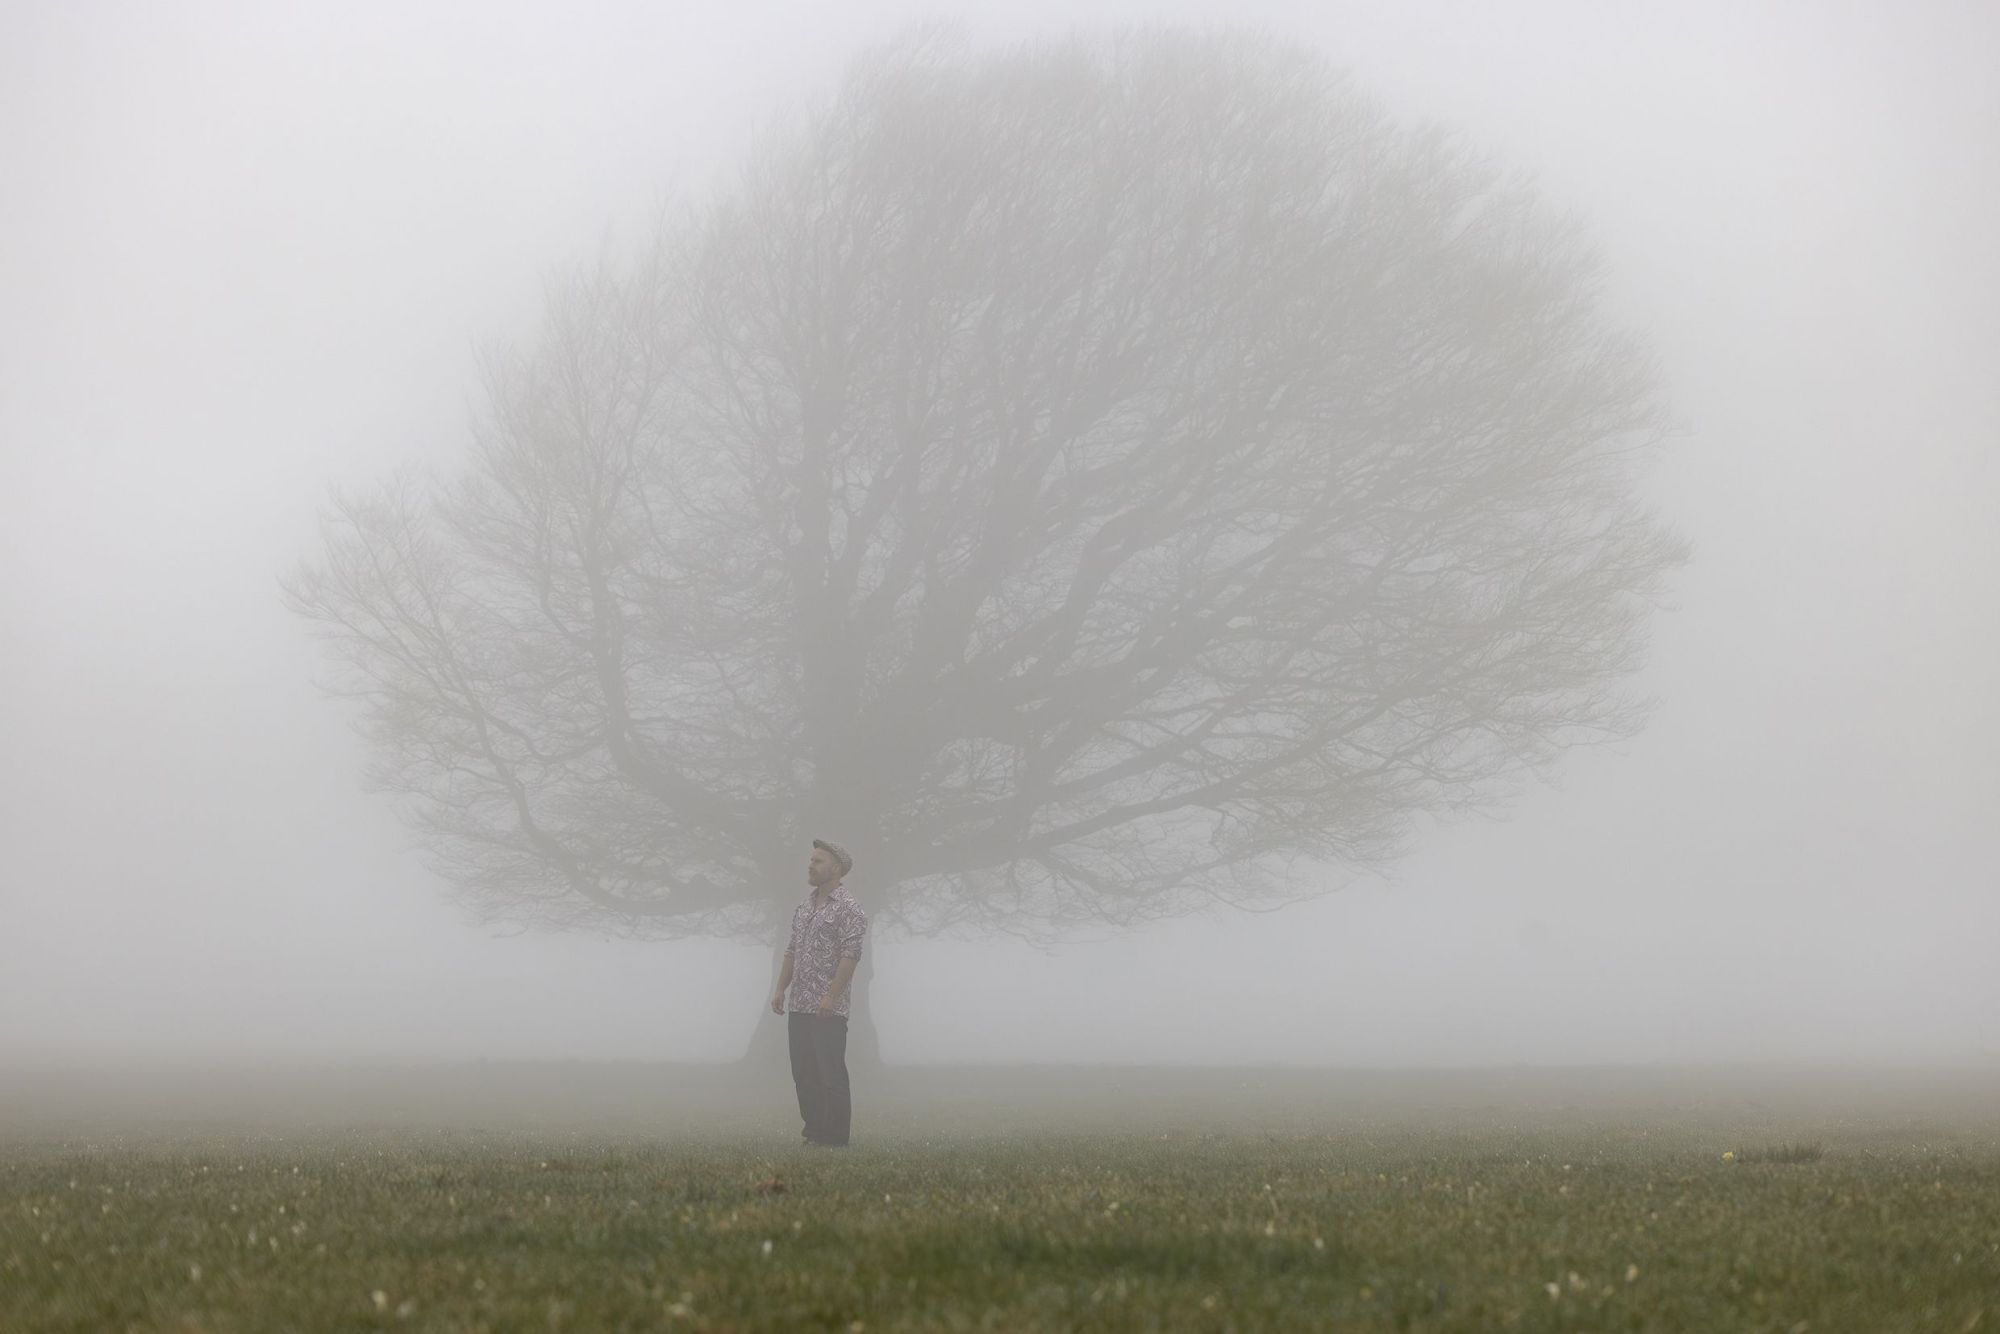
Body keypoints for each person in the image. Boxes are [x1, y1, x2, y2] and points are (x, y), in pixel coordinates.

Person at [769, 839, 867, 1147]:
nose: (810, 866)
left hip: (828, 1008)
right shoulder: (804, 907)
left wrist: (831, 996)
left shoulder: (849, 909)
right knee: (804, 1073)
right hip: (800, 1003)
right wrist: (780, 988)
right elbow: (792, 950)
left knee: (830, 1073)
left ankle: (835, 1138)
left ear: (836, 868)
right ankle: (814, 1132)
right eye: (811, 860)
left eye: (818, 861)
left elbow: (850, 955)